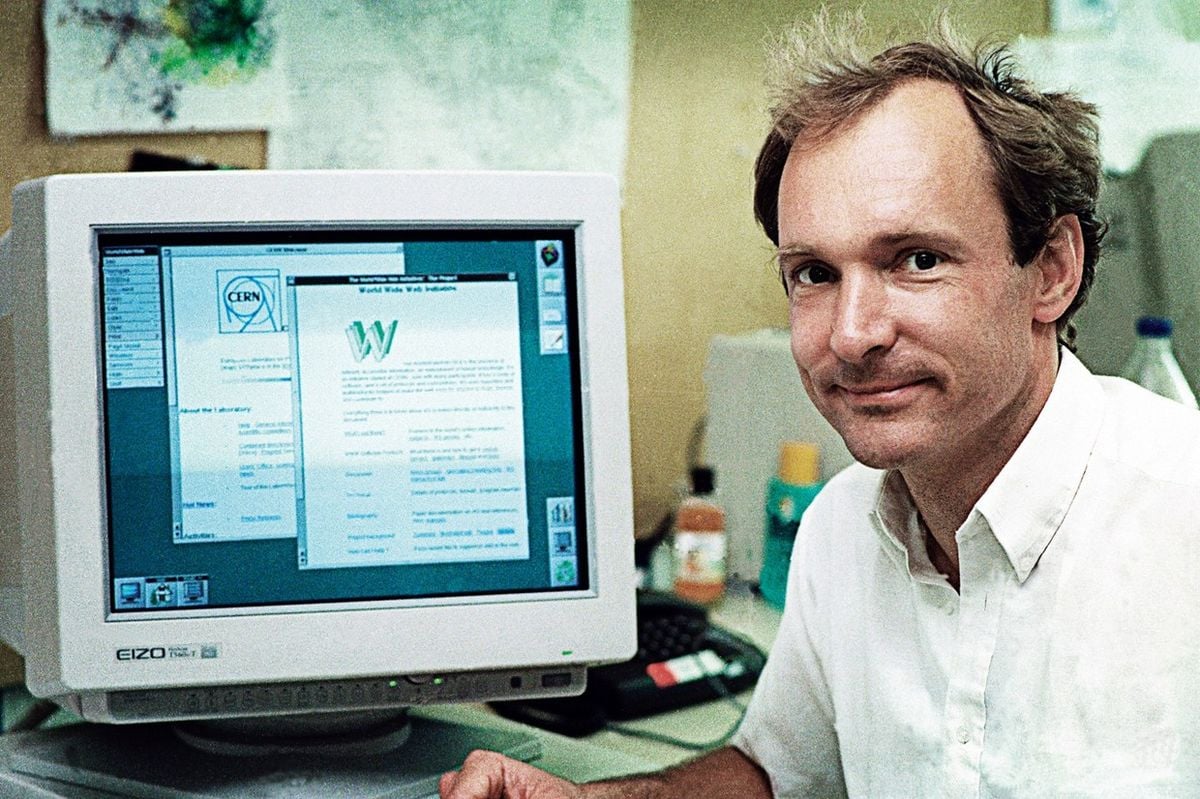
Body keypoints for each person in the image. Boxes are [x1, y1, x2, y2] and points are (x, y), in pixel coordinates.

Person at [441, 14, 1200, 799]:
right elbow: (779, 775)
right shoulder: (842, 529)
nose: (851, 333)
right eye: (813, 273)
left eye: (916, 259)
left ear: (1050, 270)